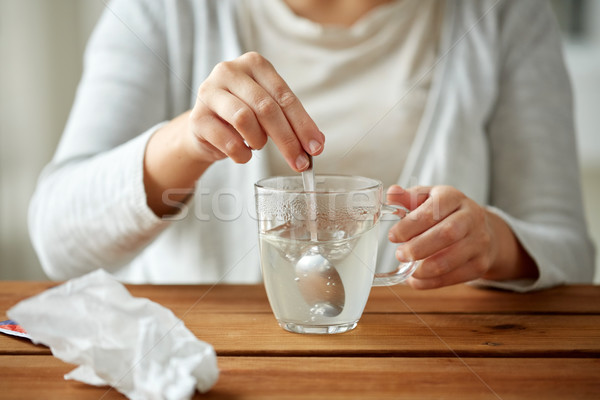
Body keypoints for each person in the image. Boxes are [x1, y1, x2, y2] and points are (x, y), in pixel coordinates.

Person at [29, 0, 595, 291]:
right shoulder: (164, 10)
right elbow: (58, 240)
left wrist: (494, 242)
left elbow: (570, 250)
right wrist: (188, 139)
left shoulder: (504, 14)